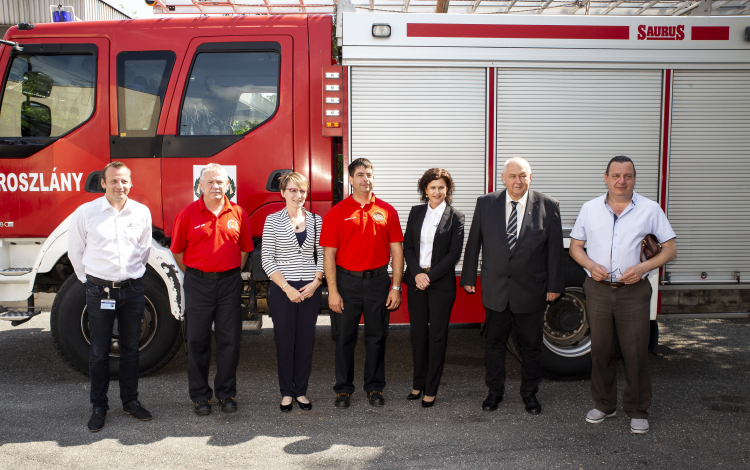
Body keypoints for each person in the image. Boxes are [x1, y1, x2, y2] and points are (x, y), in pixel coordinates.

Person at [569, 155, 676, 435]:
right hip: (598, 290)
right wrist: (590, 266)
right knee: (601, 350)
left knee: (636, 352)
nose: (621, 181)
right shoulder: (590, 208)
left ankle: (638, 409)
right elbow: (575, 247)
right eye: (616, 175)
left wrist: (643, 267)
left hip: (634, 292)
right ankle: (605, 405)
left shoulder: (650, 209)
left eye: (627, 176)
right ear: (606, 178)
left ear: (634, 179)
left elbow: (670, 249)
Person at [460, 157, 564, 415]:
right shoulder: (486, 203)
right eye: (513, 176)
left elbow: (554, 250)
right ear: (503, 178)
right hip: (496, 290)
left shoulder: (548, 205)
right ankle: (494, 392)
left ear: (531, 177)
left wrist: (554, 285)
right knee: (494, 344)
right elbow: (475, 240)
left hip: (531, 290)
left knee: (531, 346)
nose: (518, 181)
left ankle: (530, 393)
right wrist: (469, 277)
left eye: (523, 175)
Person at [68, 161, 153, 432]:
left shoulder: (141, 212)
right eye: (114, 181)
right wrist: (91, 281)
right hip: (99, 290)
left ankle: (130, 402)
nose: (120, 186)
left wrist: (130, 275)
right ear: (103, 183)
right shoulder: (86, 213)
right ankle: (98, 406)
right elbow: (75, 252)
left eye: (124, 181)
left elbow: (144, 250)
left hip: (133, 290)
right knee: (98, 351)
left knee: (130, 349)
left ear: (131, 183)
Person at [320, 158, 404, 409]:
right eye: (360, 174)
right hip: (347, 283)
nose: (365, 179)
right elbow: (328, 254)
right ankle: (343, 390)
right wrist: (332, 291)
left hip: (378, 282)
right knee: (344, 338)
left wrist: (396, 287)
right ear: (351, 179)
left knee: (376, 337)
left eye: (369, 174)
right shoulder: (337, 212)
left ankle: (375, 387)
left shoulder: (387, 210)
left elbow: (397, 251)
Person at [170, 163, 253, 416]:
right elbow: (177, 251)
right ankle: (200, 396)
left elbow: (244, 250)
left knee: (230, 341)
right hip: (198, 284)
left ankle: (226, 394)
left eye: (220, 182)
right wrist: (199, 275)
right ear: (200, 186)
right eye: (210, 182)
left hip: (229, 284)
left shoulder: (238, 213)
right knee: (197, 341)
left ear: (228, 185)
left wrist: (227, 273)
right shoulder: (187, 214)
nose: (215, 186)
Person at [262, 172, 324, 412]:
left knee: (305, 342)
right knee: (285, 342)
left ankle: (301, 391)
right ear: (283, 193)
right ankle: (287, 392)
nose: (299, 195)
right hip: (282, 290)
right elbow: (267, 259)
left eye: (302, 191)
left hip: (310, 289)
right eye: (293, 190)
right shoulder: (272, 220)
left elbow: (323, 256)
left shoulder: (317, 220)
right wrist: (287, 288)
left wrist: (316, 282)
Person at [403, 168, 465, 408]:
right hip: (416, 281)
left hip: (440, 284)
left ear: (447, 189)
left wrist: (429, 277)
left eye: (441, 187)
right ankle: (418, 383)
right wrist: (417, 273)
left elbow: (453, 255)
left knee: (437, 336)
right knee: (418, 335)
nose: (437, 191)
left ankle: (432, 387)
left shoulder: (456, 216)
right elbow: (407, 245)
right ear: (425, 190)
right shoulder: (416, 212)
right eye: (432, 187)